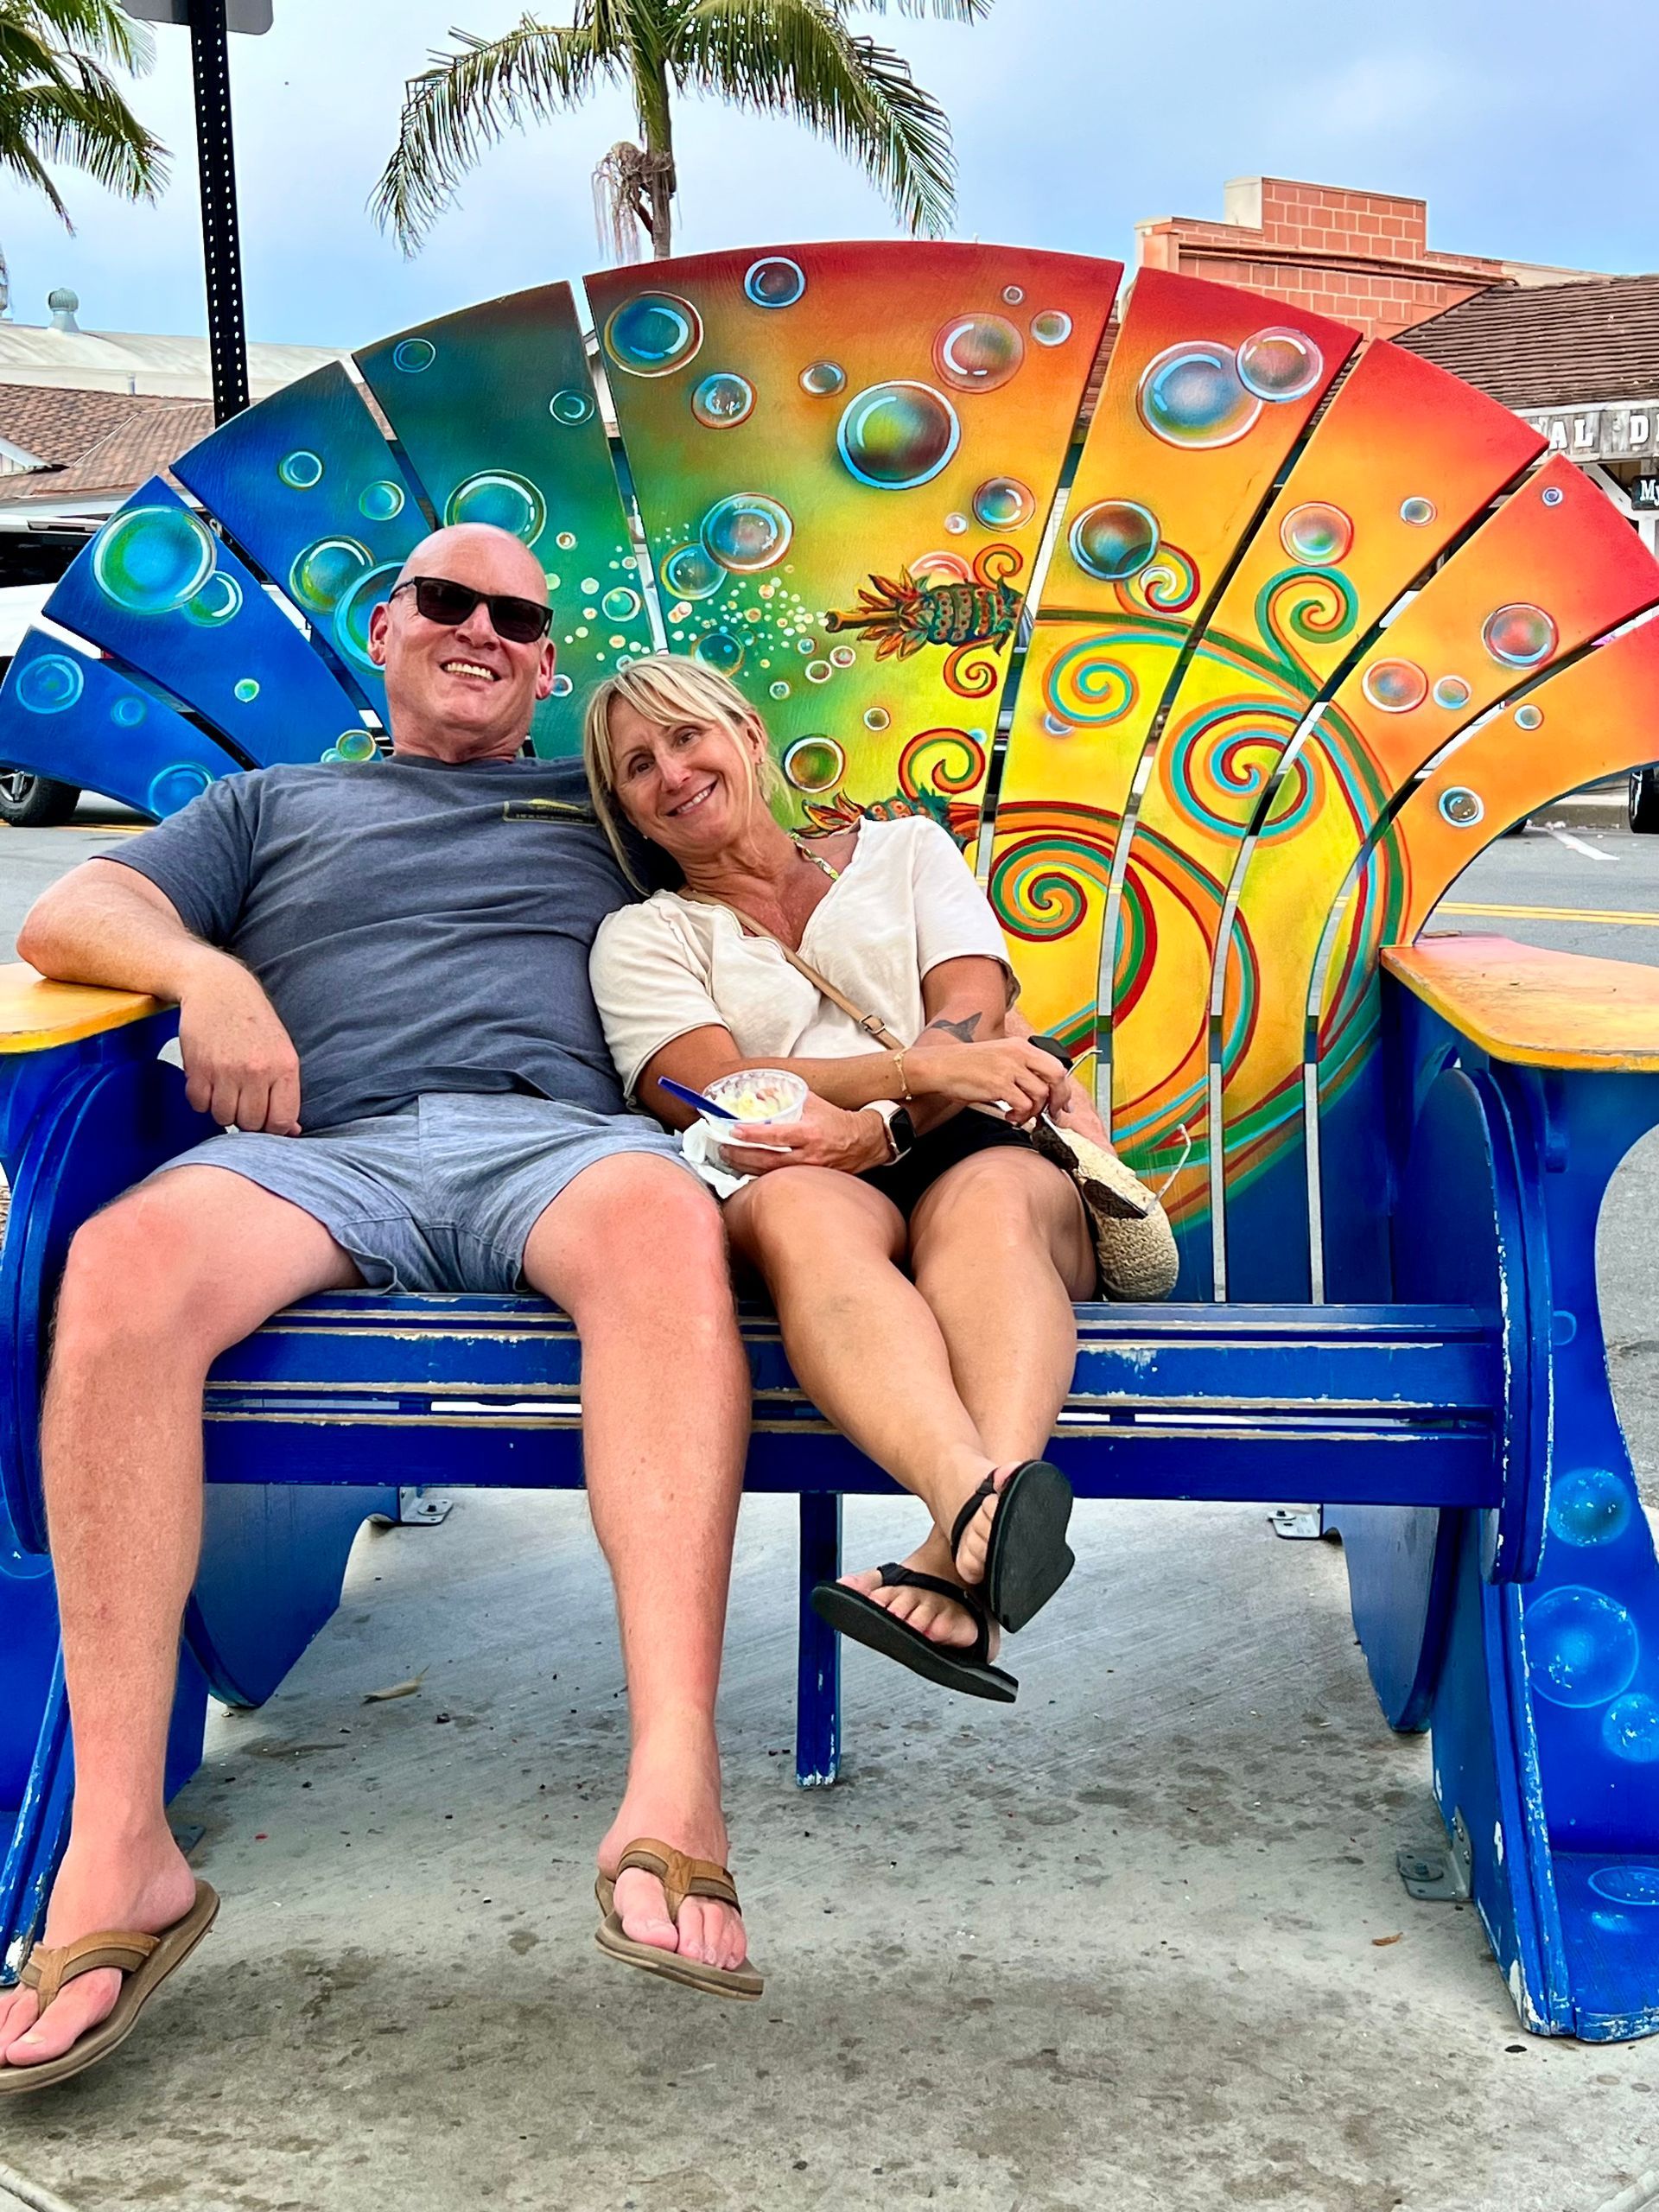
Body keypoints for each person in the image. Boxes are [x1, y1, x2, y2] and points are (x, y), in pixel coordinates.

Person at [0, 529, 762, 2090]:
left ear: (546, 666)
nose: (482, 627)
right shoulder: (273, 803)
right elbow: (69, 914)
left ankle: (674, 1784)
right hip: (317, 1151)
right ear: (387, 624)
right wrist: (210, 979)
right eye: (448, 600)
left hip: (561, 1141)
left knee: (665, 1228)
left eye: (518, 615)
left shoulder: (601, 808)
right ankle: (121, 1849)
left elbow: (763, 849)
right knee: (121, 1269)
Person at [585, 655, 1103, 1707]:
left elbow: (970, 997)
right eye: (638, 766)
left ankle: (957, 1536)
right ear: (628, 810)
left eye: (687, 736)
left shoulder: (906, 851)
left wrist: (887, 1122)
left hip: (973, 1146)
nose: (672, 772)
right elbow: (711, 1085)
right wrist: (913, 1077)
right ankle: (976, 1517)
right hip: (798, 1172)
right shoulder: (645, 937)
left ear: (746, 733)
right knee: (798, 1211)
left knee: (994, 1205)